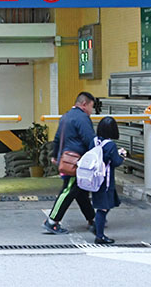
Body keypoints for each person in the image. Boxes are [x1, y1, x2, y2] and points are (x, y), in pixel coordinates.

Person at [43, 91, 97, 235]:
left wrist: (55, 155)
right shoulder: (82, 118)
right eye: (91, 107)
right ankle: (52, 221)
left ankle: (92, 218)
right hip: (76, 162)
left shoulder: (66, 116)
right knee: (69, 190)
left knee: (80, 192)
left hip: (65, 159)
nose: (91, 111)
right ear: (84, 104)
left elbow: (57, 138)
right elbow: (90, 139)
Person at [91, 116, 127, 244]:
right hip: (106, 181)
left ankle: (98, 226)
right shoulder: (110, 145)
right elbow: (116, 162)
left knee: (107, 204)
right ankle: (99, 235)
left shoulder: (94, 141)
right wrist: (122, 156)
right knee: (103, 208)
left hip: (95, 179)